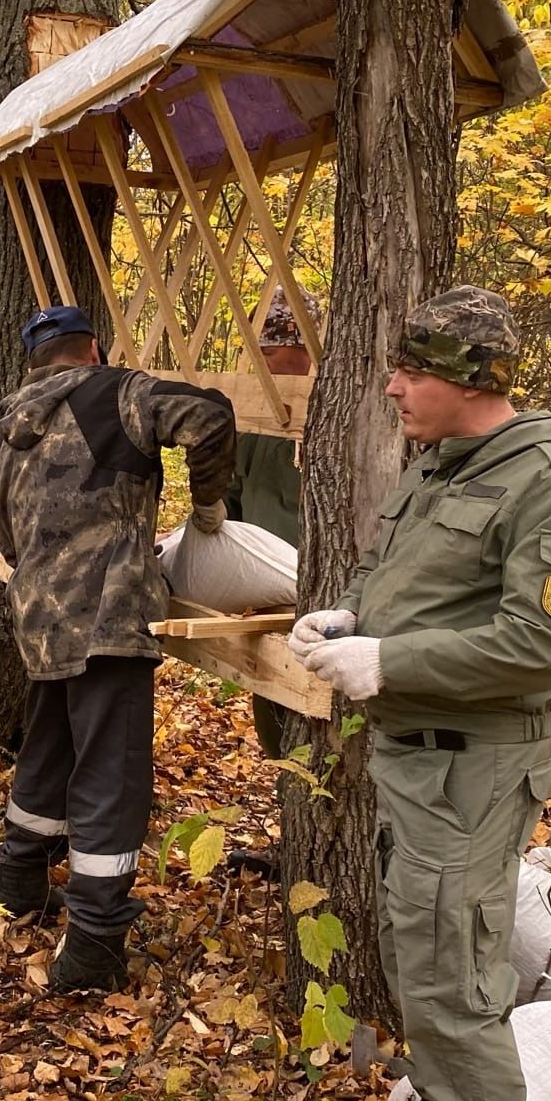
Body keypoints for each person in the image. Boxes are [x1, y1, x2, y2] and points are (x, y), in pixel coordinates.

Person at [288, 285, 551, 1101]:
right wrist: (348, 617)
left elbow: (539, 646)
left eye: (412, 371)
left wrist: (389, 664)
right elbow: (397, 577)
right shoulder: (442, 467)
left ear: (472, 379)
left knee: (455, 977)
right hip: (415, 767)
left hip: (474, 767)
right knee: (420, 959)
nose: (392, 387)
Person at [0, 305, 235, 992]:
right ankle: (94, 943)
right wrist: (208, 509)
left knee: (49, 750)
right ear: (94, 348)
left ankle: (18, 884)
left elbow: (5, 536)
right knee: (110, 776)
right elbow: (210, 417)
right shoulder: (120, 391)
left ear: (35, 359)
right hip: (107, 620)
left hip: (38, 617)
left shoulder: (6, 427)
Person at [224, 291, 313, 761]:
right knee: (272, 708)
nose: (262, 366)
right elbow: (230, 499)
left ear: (305, 350)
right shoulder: (255, 418)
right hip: (262, 594)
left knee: (315, 716)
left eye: (271, 355)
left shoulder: (333, 418)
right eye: (256, 355)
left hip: (319, 598)